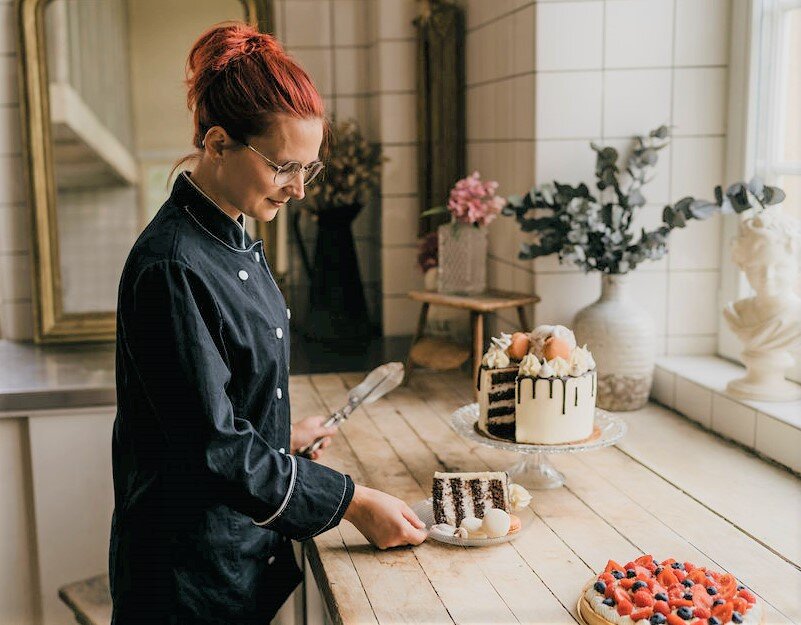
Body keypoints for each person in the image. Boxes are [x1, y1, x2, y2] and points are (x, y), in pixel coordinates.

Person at [109, 22, 427, 625]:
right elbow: (212, 448)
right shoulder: (173, 266)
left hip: (233, 559)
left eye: (310, 168)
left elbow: (212, 410)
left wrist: (279, 435)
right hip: (185, 583)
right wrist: (351, 501)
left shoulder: (229, 237)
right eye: (284, 166)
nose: (300, 189)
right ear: (219, 142)